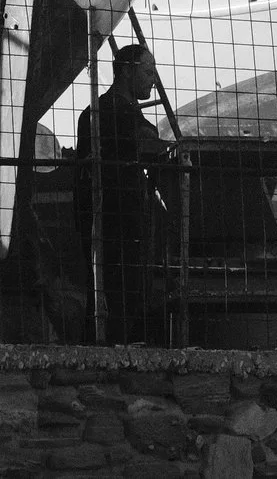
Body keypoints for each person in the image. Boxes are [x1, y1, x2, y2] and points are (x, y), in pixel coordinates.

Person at [74, 44, 173, 343]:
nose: (154, 79)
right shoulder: (121, 116)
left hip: (102, 224)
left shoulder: (93, 113)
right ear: (128, 71)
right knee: (125, 302)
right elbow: (146, 145)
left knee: (103, 300)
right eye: (147, 71)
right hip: (122, 225)